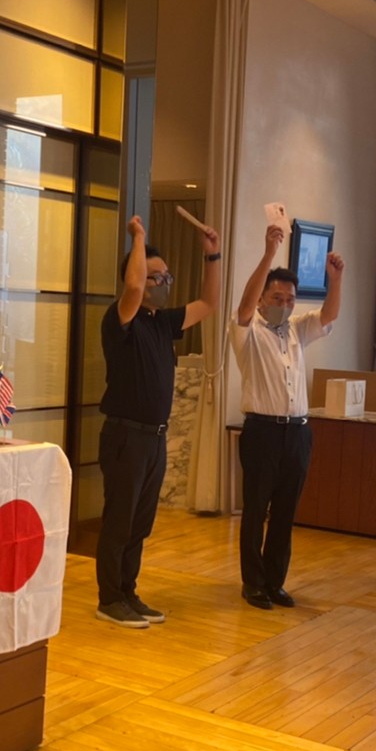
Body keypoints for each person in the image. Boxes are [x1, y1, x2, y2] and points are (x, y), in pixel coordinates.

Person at [96, 213, 221, 628]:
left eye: (167, 276)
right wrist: (139, 236)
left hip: (154, 439)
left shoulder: (162, 323)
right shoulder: (121, 318)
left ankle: (128, 591)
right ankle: (109, 599)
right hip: (125, 435)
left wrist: (213, 257)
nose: (164, 282)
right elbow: (133, 287)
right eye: (157, 277)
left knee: (140, 522)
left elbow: (208, 304)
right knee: (119, 520)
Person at [231, 223, 343, 610]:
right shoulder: (248, 330)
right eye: (276, 297)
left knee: (285, 512)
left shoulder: (296, 329)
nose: (284, 304)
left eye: (290, 299)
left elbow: (329, 314)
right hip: (262, 431)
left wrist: (335, 279)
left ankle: (275, 581)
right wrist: (268, 254)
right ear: (263, 299)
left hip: (297, 433)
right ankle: (253, 583)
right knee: (255, 510)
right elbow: (244, 307)